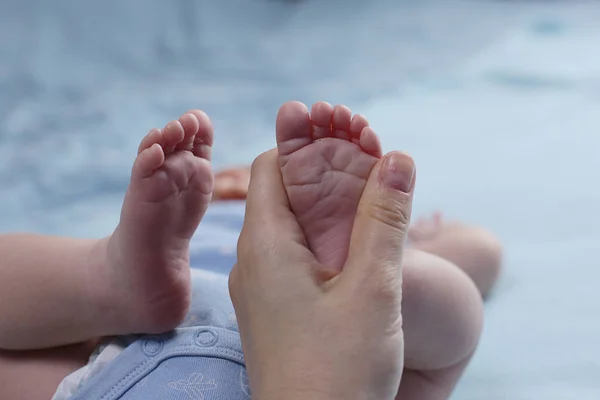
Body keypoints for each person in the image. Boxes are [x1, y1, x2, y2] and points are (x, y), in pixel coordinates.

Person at [0, 101, 502, 399]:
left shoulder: (171, 233)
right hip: (145, 339)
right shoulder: (176, 233)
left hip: (125, 369)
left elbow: (481, 253)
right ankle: (109, 280)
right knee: (447, 317)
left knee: (432, 304)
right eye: (234, 179)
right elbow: (480, 255)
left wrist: (417, 242)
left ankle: (364, 269)